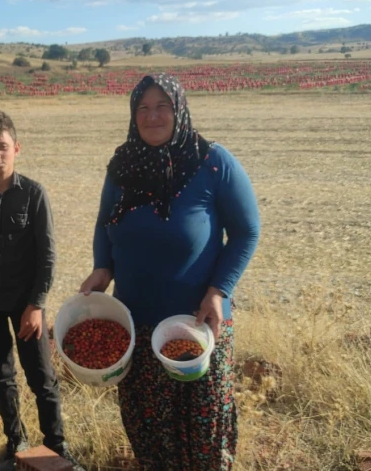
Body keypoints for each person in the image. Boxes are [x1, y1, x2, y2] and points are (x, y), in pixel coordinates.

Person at [79, 73, 260, 470]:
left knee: (204, 427)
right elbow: (102, 222)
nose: (152, 116)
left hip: (199, 322)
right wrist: (102, 267)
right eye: (143, 107)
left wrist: (219, 290)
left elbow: (247, 231)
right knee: (148, 425)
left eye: (162, 106)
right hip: (136, 325)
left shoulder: (212, 162)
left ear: (179, 109)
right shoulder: (122, 164)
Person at [0, 111, 86, 471]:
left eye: (2, 146)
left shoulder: (33, 194)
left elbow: (47, 255)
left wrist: (36, 304)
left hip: (26, 305)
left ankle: (57, 445)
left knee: (41, 376)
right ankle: (16, 442)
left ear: (16, 147)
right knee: (1, 374)